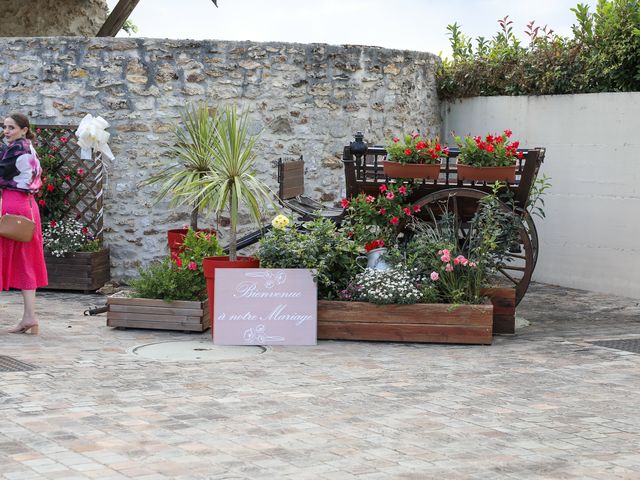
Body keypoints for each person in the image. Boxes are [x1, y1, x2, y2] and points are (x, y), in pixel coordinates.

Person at [0, 112, 48, 334]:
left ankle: (29, 317)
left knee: (5, 258)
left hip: (13, 206)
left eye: (11, 127)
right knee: (26, 260)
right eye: (5, 127)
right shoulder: (29, 148)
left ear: (24, 129)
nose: (6, 131)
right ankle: (30, 317)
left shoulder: (16, 149)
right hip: (28, 207)